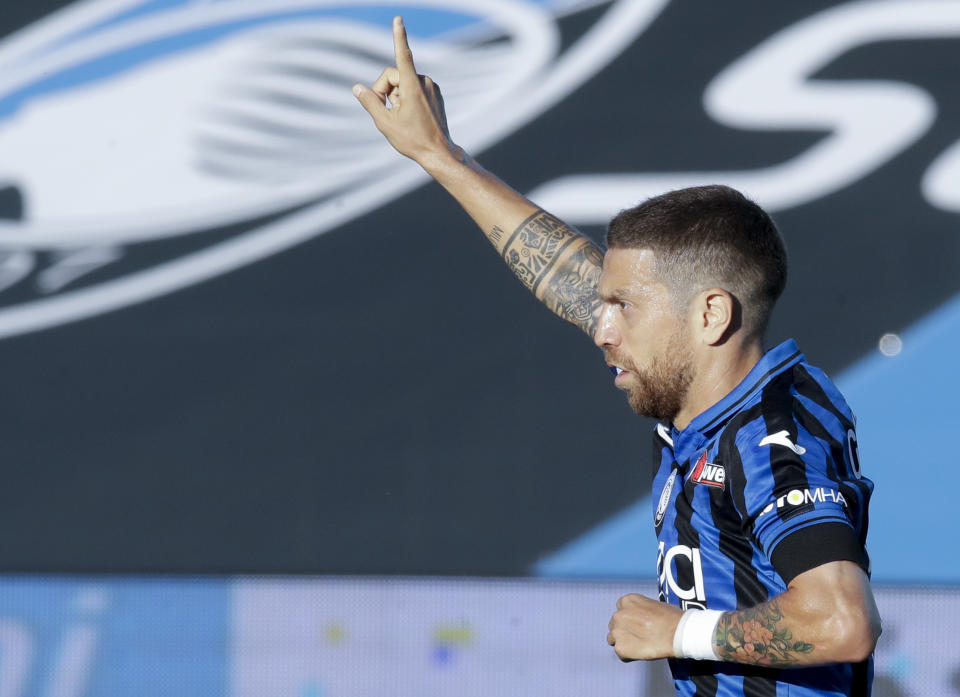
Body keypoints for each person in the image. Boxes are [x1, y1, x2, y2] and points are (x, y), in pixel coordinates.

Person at [353, 16, 881, 697]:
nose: (601, 328)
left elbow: (842, 621)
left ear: (710, 315)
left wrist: (680, 632)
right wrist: (441, 157)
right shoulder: (713, 396)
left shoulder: (772, 432)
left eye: (623, 307)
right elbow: (571, 277)